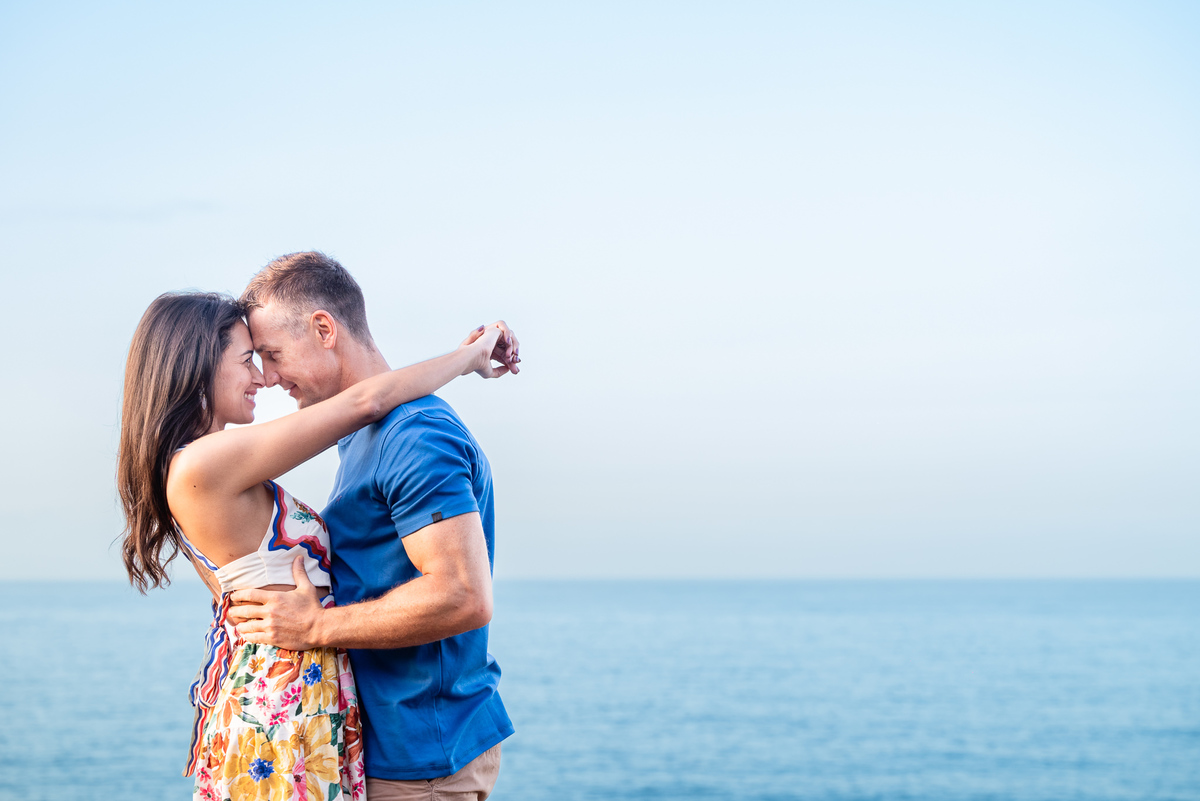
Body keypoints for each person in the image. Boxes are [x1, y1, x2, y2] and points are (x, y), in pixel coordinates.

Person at [116, 289, 517, 801]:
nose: (263, 377)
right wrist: (468, 358)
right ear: (196, 366)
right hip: (283, 706)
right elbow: (366, 400)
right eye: (248, 361)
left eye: (269, 357)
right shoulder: (201, 465)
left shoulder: (206, 467)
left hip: (293, 696)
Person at [226, 252, 516, 801]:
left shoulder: (415, 436)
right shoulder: (366, 435)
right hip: (393, 750)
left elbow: (463, 595)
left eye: (271, 354)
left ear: (323, 329)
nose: (267, 377)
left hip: (422, 761)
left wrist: (313, 628)